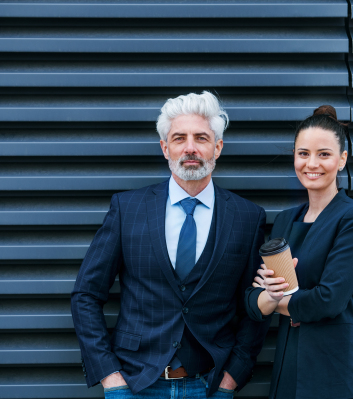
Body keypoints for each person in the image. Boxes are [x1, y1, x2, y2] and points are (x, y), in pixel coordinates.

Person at [71, 91, 271, 398]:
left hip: (210, 385)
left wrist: (231, 380)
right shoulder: (128, 209)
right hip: (136, 385)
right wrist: (110, 378)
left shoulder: (247, 218)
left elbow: (254, 306)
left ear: (217, 147)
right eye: (179, 138)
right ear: (165, 148)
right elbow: (86, 294)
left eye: (201, 138)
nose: (190, 148)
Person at [245, 105, 353, 399]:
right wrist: (273, 298)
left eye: (324, 154)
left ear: (342, 159)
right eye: (303, 153)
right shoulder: (285, 220)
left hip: (339, 376)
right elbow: (252, 301)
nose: (312, 164)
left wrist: (276, 299)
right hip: (288, 371)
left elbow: (328, 301)